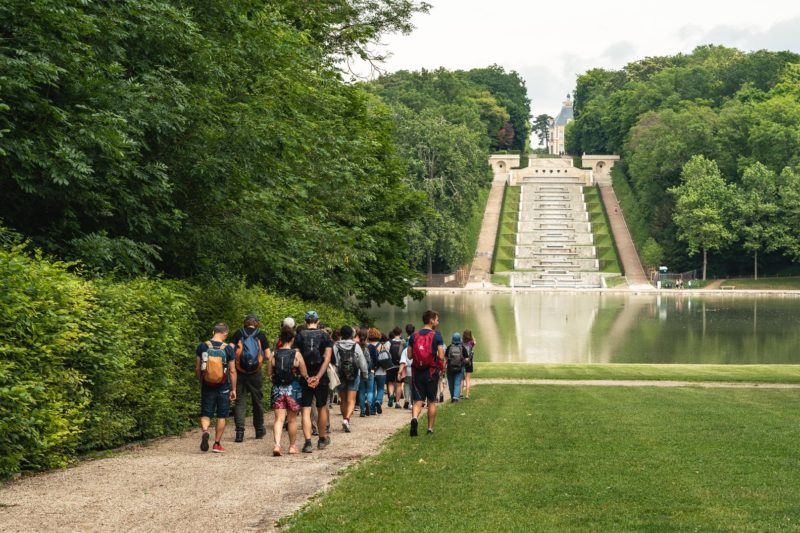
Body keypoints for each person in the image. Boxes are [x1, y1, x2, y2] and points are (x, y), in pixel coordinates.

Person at [294, 310, 333, 452]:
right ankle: (322, 439)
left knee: (306, 409)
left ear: (305, 322)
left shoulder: (299, 336)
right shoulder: (325, 336)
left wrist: (306, 377)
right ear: (317, 321)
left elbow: (298, 358)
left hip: (305, 377)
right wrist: (318, 376)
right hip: (320, 377)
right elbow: (327, 358)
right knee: (322, 407)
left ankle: (308, 442)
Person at [195, 323, 237, 453]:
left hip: (207, 384)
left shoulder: (203, 346)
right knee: (221, 415)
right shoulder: (228, 349)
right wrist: (233, 389)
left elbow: (198, 367)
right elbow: (232, 371)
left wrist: (200, 380)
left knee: (206, 413)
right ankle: (217, 444)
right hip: (223, 385)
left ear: (213, 331)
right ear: (225, 333)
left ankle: (206, 431)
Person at [230, 314, 270, 443]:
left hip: (239, 372)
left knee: (240, 402)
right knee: (257, 401)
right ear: (256, 323)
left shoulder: (238, 333)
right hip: (255, 373)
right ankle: (259, 430)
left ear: (245, 322)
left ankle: (240, 433)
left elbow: (230, 350)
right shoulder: (261, 335)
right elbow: (268, 355)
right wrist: (258, 360)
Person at [269, 325, 309, 456]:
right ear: (292, 339)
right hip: (293, 389)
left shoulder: (274, 354)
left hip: (277, 389)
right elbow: (303, 373)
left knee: (279, 419)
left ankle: (277, 445)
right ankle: (292, 447)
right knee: (292, 420)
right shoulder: (296, 354)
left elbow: (269, 373)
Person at [408, 310, 445, 436]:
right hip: (431, 373)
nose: (438, 322)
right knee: (431, 401)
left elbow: (409, 355)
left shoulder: (414, 336)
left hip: (417, 372)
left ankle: (414, 418)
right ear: (431, 320)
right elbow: (441, 355)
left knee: (418, 400)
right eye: (437, 319)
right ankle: (429, 429)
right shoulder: (437, 335)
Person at [334, 325, 369, 432]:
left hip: (340, 375)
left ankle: (345, 419)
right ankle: (347, 419)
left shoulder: (336, 346)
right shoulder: (356, 346)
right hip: (354, 375)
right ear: (352, 335)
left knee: (343, 400)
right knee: (351, 400)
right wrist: (365, 374)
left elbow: (334, 361)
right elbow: (362, 362)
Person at [357, 326, 375, 417]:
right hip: (370, 371)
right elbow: (375, 359)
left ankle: (362, 411)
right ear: (367, 336)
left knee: (361, 391)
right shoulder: (371, 347)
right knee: (370, 390)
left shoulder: (356, 346)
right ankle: (369, 402)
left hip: (359, 372)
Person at [445, 332, 466, 402]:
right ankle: (455, 397)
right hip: (460, 368)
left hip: (450, 368)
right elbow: (466, 358)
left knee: (451, 383)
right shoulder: (462, 348)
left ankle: (452, 397)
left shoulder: (449, 347)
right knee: (457, 382)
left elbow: (445, 357)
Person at [386, 327, 404, 408]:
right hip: (401, 365)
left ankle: (391, 395)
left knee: (390, 382)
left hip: (391, 366)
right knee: (399, 384)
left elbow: (386, 353)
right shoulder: (403, 342)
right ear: (401, 333)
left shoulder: (389, 342)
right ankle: (397, 402)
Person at [397, 344, 413, 410]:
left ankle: (407, 400)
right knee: (414, 387)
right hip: (416, 371)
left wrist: (399, 372)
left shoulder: (405, 350)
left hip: (407, 372)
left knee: (407, 385)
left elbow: (402, 362)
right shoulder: (418, 348)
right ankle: (411, 403)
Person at [462, 329, 476, 400]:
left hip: (462, 361)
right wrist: (472, 336)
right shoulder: (471, 343)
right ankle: (467, 395)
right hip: (469, 362)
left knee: (461, 378)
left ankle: (461, 393)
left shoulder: (461, 343)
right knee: (468, 378)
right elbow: (475, 341)